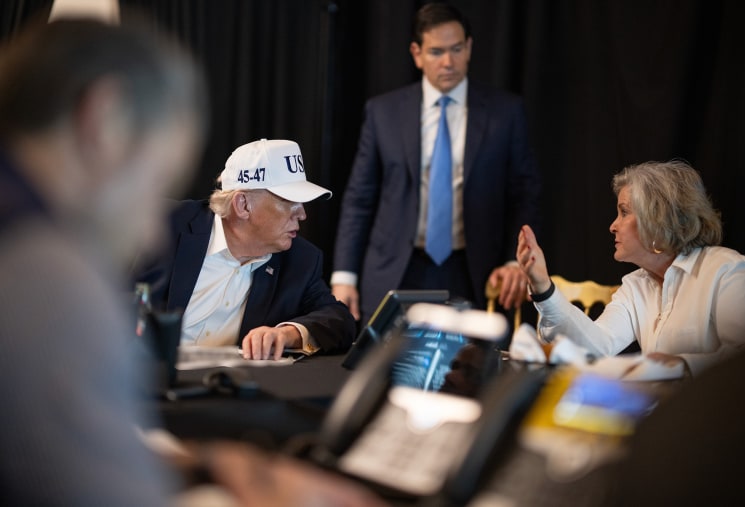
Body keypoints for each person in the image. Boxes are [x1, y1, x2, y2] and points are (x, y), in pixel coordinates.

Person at [0, 16, 388, 507]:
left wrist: (205, 464)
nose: (146, 229)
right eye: (154, 179)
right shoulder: (39, 271)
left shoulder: (31, 251)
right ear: (102, 119)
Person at [331, 2, 541, 325]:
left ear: (469, 47)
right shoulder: (383, 112)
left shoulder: (505, 113)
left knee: (465, 373)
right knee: (384, 372)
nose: (448, 62)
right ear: (416, 54)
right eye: (436, 52)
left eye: (456, 49)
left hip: (473, 272)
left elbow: (524, 194)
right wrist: (344, 276)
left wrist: (515, 262)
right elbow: (360, 197)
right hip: (394, 271)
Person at [517, 160, 745, 376]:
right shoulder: (635, 286)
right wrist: (543, 288)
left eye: (624, 212)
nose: (613, 226)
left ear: (657, 220)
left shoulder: (727, 271)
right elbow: (596, 347)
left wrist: (680, 365)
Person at [134, 138, 355, 360]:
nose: (302, 214)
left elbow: (339, 320)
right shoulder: (162, 227)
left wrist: (287, 334)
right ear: (243, 205)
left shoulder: (300, 260)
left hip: (222, 389)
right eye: (290, 201)